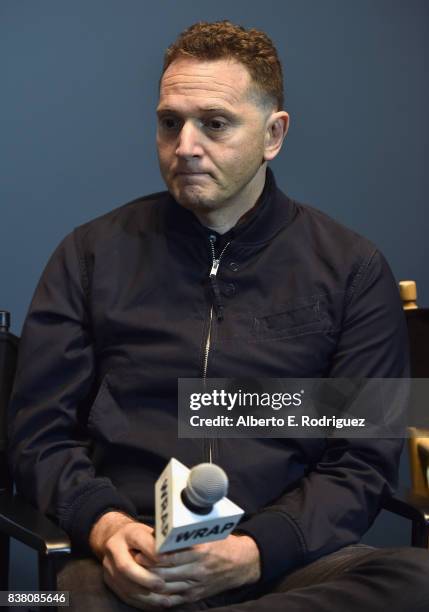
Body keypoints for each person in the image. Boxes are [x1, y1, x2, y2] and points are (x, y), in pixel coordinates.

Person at [8, 20, 429, 612]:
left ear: (273, 134)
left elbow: (363, 456)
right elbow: (38, 436)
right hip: (127, 564)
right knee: (35, 603)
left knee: (419, 582)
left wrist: (256, 550)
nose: (185, 145)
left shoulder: (352, 270)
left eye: (214, 123)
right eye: (169, 122)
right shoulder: (88, 255)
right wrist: (104, 528)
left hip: (284, 566)